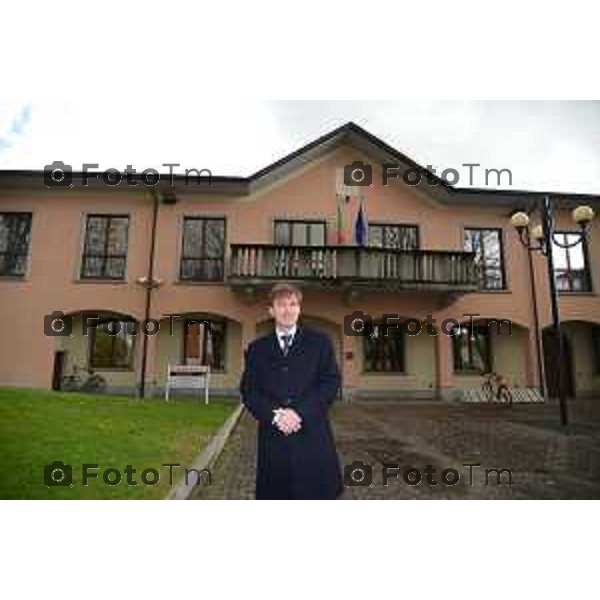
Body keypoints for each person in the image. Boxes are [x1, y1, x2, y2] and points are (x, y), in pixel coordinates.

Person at [240, 283, 343, 500]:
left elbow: (330, 383)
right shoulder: (257, 349)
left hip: (312, 434)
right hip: (274, 437)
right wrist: (275, 415)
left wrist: (299, 413)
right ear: (271, 310)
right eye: (281, 304)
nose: (288, 309)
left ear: (299, 308)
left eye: (293, 304)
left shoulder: (320, 343)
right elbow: (249, 390)